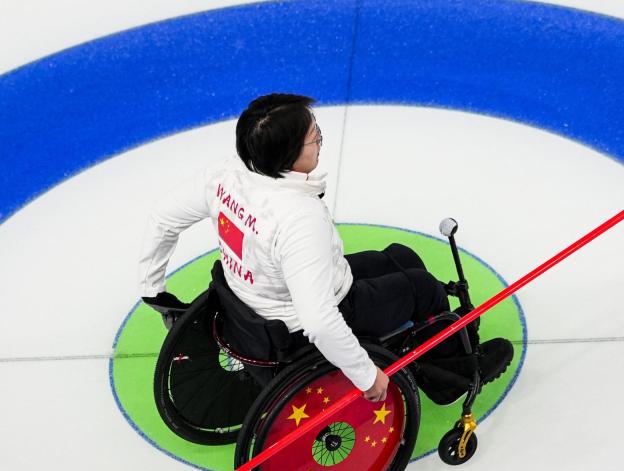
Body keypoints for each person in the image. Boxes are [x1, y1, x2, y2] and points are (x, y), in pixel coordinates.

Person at [138, 93, 511, 403]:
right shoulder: (298, 218)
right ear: (288, 156)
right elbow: (318, 320)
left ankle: (442, 344)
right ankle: (449, 380)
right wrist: (367, 377)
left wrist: (153, 291)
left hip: (251, 298)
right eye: (315, 138)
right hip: (297, 321)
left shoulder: (225, 174)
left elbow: (162, 219)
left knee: (403, 257)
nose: (319, 142)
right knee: (424, 288)